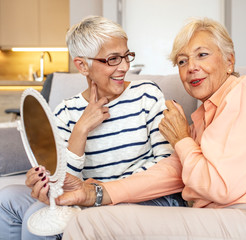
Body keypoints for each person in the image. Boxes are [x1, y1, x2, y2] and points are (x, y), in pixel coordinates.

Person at [35, 17, 246, 240]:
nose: (191, 67)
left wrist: (182, 140)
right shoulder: (202, 117)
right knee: (93, 217)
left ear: (229, 61)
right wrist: (96, 192)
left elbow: (220, 186)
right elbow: (173, 172)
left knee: (90, 226)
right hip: (242, 217)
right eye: (182, 61)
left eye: (202, 55)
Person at [0, 16, 185, 240]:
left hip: (138, 197)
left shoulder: (146, 94)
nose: (125, 67)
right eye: (113, 59)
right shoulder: (65, 113)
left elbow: (166, 164)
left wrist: (101, 193)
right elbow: (66, 185)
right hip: (83, 196)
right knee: (7, 197)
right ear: (82, 65)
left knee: (37, 217)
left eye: (126, 56)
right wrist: (81, 130)